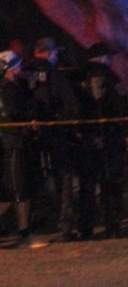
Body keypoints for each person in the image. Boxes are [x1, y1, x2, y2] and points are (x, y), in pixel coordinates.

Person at [27, 37, 82, 241]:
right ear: (48, 53)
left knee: (34, 181)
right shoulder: (55, 77)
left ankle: (33, 225)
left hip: (30, 138)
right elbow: (71, 105)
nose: (57, 56)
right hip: (57, 136)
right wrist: (73, 128)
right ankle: (65, 226)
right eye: (55, 53)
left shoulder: (24, 75)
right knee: (64, 178)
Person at [75, 42, 128, 239]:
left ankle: (86, 228)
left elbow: (71, 108)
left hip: (84, 140)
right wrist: (123, 133)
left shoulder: (76, 77)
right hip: (109, 139)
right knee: (110, 184)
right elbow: (122, 108)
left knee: (87, 186)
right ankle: (112, 226)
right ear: (102, 57)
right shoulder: (112, 78)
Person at [0, 50, 46, 248]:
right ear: (11, 68)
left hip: (10, 142)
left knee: (9, 192)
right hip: (14, 142)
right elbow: (14, 112)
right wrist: (29, 120)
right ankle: (24, 234)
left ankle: (25, 232)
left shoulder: (9, 87)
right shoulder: (8, 89)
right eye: (17, 65)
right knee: (19, 190)